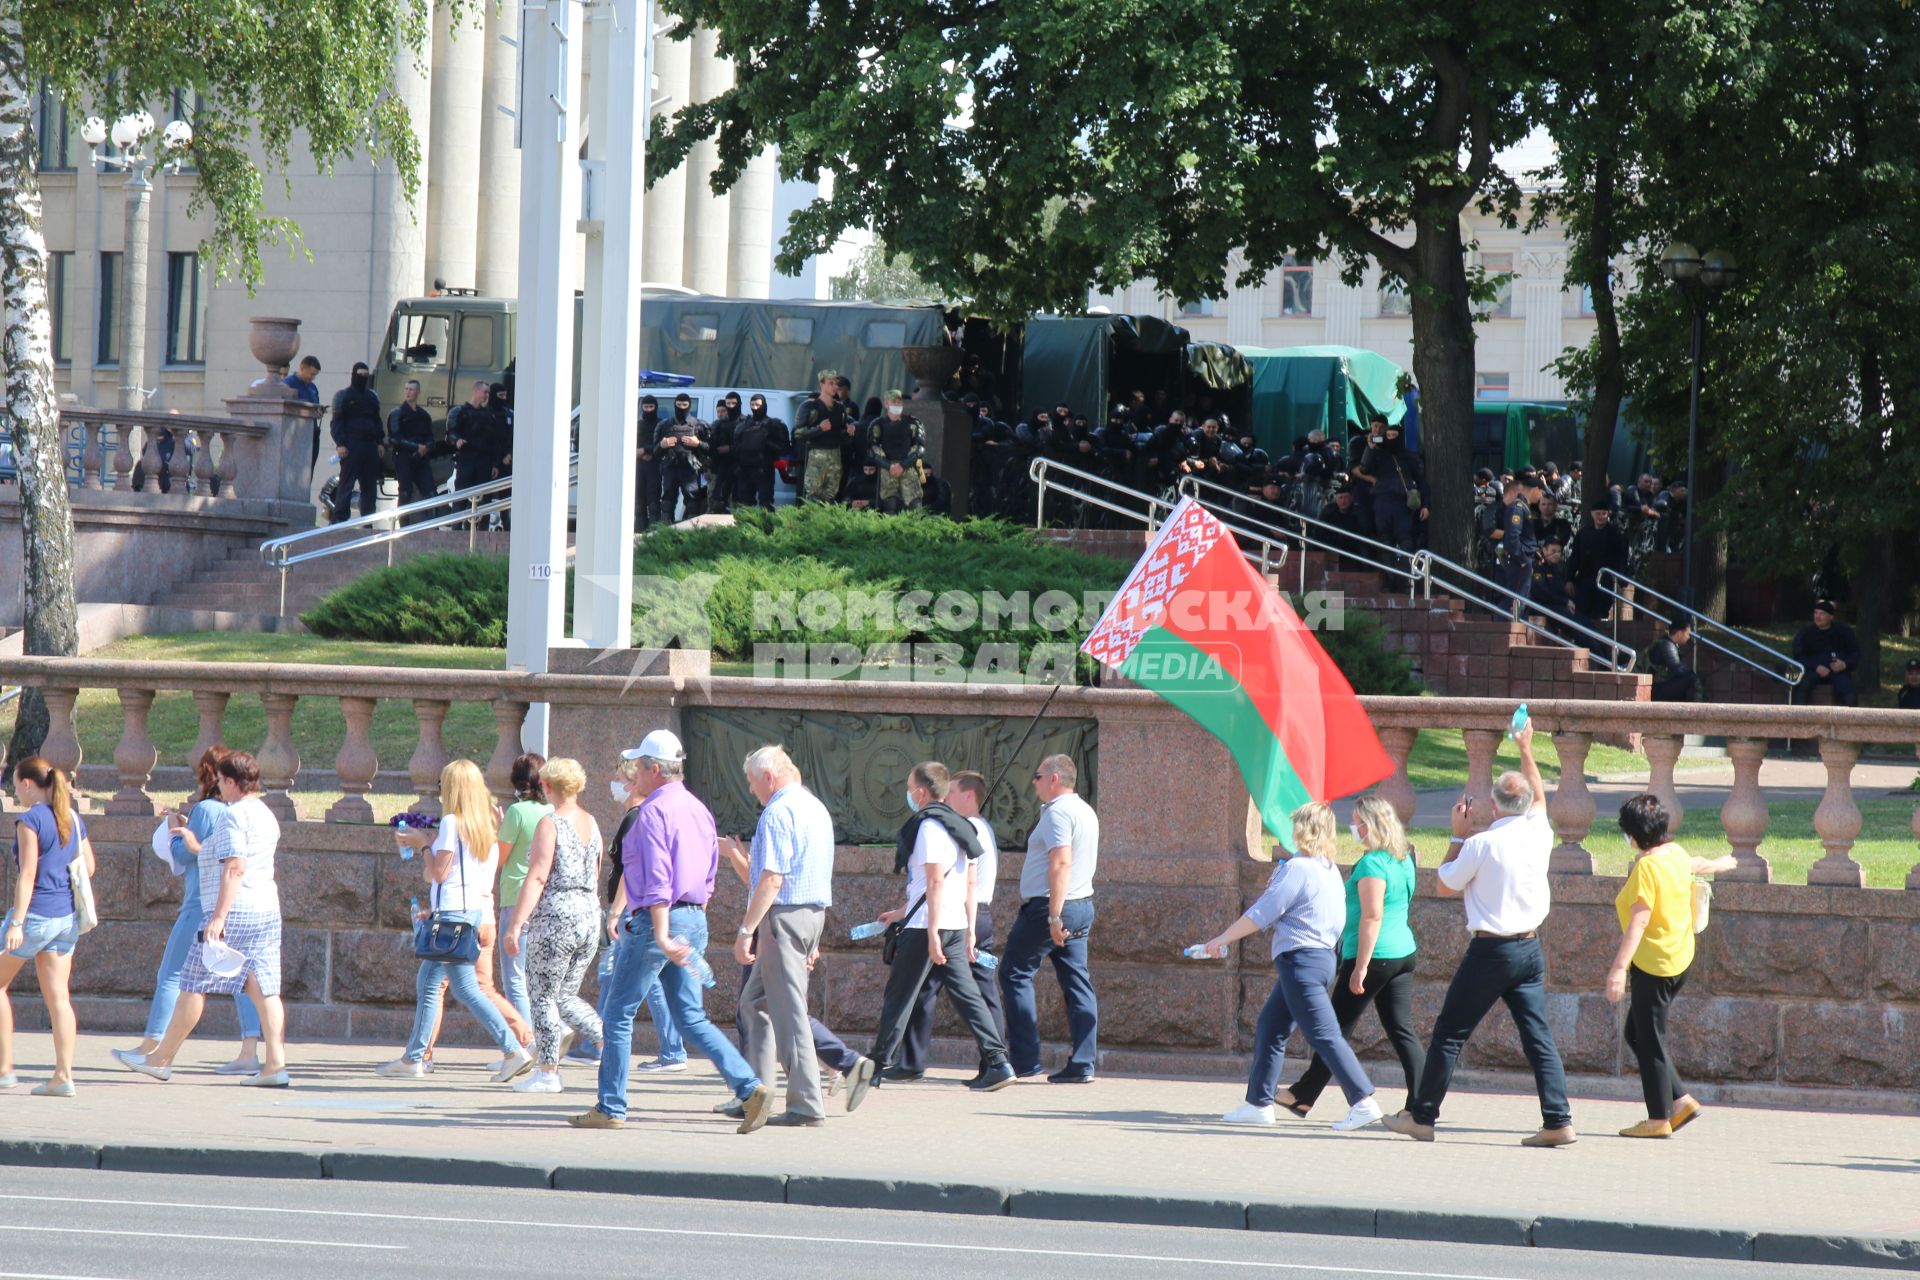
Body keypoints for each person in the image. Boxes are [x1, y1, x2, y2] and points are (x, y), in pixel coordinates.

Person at [571, 732, 775, 1133]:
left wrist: (662, 932)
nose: (633, 776)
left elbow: (659, 877)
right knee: (691, 1017)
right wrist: (688, 921)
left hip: (657, 921)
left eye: (638, 767)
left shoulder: (651, 812)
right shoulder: (699, 809)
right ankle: (750, 1088)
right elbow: (710, 871)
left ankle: (611, 1107)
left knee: (617, 1013)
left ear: (654, 769)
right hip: (693, 917)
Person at [1382, 723, 1572, 1146]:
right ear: (1523, 805)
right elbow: (1540, 795)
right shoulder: (1539, 831)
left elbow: (1445, 885)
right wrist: (1526, 745)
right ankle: (1558, 1120)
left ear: (1492, 803)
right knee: (1538, 1037)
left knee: (1450, 1033)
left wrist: (1456, 834)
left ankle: (1422, 1116)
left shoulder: (1481, 844)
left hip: (1491, 952)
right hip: (1529, 948)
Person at [1197, 803, 1384, 1133]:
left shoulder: (1298, 868)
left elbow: (1262, 912)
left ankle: (1363, 1101)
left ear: (1303, 830)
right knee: (1270, 1025)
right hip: (1318, 959)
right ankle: (1259, 1103)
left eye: (1295, 825)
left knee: (1325, 1035)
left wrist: (1221, 938)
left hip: (1301, 962)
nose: (1290, 831)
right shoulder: (1327, 869)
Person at [121, 751, 292, 1088]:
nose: (219, 788)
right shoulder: (265, 814)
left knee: (192, 984)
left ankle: (159, 1059)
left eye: (221, 782)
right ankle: (276, 1065)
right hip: (266, 910)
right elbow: (228, 855)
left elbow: (235, 866)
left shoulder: (233, 816)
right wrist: (193, 841)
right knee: (265, 990)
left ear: (230, 782)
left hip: (235, 909)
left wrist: (218, 917)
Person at [856, 763, 1016, 1103]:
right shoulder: (963, 826)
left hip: (929, 927)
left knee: (900, 996)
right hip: (955, 923)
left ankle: (876, 1065)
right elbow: (968, 881)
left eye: (909, 786)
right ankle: (999, 1062)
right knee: (968, 997)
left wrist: (930, 934)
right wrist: (969, 930)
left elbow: (934, 881)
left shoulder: (929, 826)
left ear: (921, 792)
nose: (908, 793)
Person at [380, 760, 534, 1083]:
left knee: (467, 989)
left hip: (453, 916)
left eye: (443, 786)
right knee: (431, 983)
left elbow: (439, 872)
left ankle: (513, 1050)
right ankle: (414, 1057)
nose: (440, 793)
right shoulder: (485, 825)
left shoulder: (452, 822)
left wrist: (422, 844)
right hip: (469, 914)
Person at [1274, 793, 1423, 1120]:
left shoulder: (1372, 864)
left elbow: (1372, 916)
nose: (1352, 827)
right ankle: (1421, 1106)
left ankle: (1321, 1097)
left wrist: (1360, 968)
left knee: (1333, 1031)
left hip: (1374, 956)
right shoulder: (1405, 857)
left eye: (1357, 822)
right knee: (1401, 1031)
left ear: (1371, 825)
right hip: (1402, 953)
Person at [726, 745, 845, 1126]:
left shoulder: (778, 810)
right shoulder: (815, 807)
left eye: (751, 782)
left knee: (788, 1013)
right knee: (755, 1002)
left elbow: (773, 878)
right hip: (809, 915)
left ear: (769, 777)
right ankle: (756, 1094)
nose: (751, 790)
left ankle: (806, 1105)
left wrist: (747, 930)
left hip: (783, 919)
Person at [1606, 795, 1736, 1138]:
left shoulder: (1647, 867)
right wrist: (1721, 863)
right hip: (1678, 959)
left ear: (1633, 835)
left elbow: (1639, 920)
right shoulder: (1673, 853)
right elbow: (1694, 863)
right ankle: (1681, 1101)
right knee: (1638, 1032)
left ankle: (1658, 1119)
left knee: (1650, 1040)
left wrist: (1619, 969)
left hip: (1655, 965)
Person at [503, 759, 604, 1094]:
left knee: (542, 995)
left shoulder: (551, 823)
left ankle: (548, 1072)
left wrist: (516, 924)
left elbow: (537, 875)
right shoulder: (592, 822)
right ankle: (609, 1040)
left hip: (556, 916)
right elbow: (597, 870)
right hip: (589, 913)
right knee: (565, 995)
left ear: (547, 787)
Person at [999, 754, 1100, 1084]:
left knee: (1014, 972)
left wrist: (1054, 916)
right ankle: (1083, 1062)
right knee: (1077, 983)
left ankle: (1025, 1060)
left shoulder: (1058, 813)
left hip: (1051, 907)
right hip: (1082, 904)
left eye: (1038, 775)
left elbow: (1061, 864)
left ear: (1054, 778)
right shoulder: (1086, 811)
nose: (1034, 781)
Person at [899, 770, 1004, 1081]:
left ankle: (995, 1064)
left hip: (962, 918)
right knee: (930, 990)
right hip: (965, 916)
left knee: (976, 995)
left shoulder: (967, 828)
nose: (946, 798)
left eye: (953, 792)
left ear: (969, 796)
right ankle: (912, 1061)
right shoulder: (977, 828)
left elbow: (951, 880)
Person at [582, 753, 684, 1072]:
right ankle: (595, 1041)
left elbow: (631, 869)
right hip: (631, 913)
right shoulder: (638, 815)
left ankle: (603, 1043)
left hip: (632, 913)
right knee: (616, 979)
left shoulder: (637, 817)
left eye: (622, 777)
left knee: (641, 983)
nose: (615, 785)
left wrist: (615, 912)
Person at [2, 757, 96, 1095]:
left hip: (35, 915)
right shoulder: (70, 816)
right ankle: (63, 1076)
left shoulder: (30, 820)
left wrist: (16, 923)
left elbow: (27, 874)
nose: (15, 791)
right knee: (59, 998)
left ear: (28, 784)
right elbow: (90, 866)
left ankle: (4, 1070)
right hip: (65, 918)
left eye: (15, 784)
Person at [492, 753, 549, 1028]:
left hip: (516, 898)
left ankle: (525, 1043)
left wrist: (496, 828)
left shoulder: (516, 812)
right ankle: (548, 1035)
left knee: (514, 978)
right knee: (539, 978)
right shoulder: (551, 812)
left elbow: (498, 858)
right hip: (545, 901)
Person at [1353, 415, 1425, 552]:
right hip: (1380, 501)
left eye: (1394, 435)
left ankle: (1405, 571)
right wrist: (1370, 448)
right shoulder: (1375, 452)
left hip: (1402, 501)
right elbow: (1363, 469)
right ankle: (1387, 572)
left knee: (1405, 538)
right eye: (1388, 435)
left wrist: (1425, 505)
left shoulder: (1408, 457)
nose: (1390, 437)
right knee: (1384, 539)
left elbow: (1421, 481)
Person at [329, 361, 384, 523]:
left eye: (365, 376)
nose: (363, 378)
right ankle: (339, 519)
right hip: (351, 445)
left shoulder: (372, 397)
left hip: (369, 446)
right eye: (360, 375)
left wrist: (380, 442)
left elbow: (377, 421)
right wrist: (340, 444)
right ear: (354, 375)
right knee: (346, 483)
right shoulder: (343, 396)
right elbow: (336, 423)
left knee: (369, 487)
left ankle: (367, 521)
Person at [795, 371, 851, 504]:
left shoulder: (840, 409)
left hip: (835, 456)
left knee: (830, 498)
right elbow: (798, 433)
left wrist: (848, 431)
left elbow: (841, 433)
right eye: (830, 383)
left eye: (836, 384)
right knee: (813, 497)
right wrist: (819, 429)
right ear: (822, 385)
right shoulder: (809, 406)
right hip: (816, 455)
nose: (834, 387)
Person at [1792, 599, 1860, 707]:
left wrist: (1844, 664)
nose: (1817, 617)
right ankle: (1797, 720)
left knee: (1849, 692)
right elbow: (1799, 656)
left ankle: (1851, 722)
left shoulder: (1843, 631)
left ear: (1831, 617)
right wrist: (1815, 667)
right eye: (1816, 613)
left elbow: (1854, 653)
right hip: (1813, 671)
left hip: (1838, 672)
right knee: (1801, 687)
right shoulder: (1805, 633)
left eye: (1822, 614)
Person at [868, 389, 927, 512]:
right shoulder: (878, 424)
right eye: (893, 401)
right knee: (890, 504)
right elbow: (872, 450)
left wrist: (903, 465)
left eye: (899, 401)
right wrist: (889, 466)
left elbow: (920, 448)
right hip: (887, 469)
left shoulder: (913, 422)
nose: (897, 404)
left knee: (915, 505)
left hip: (908, 466)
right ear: (886, 404)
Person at [1567, 504, 1627, 622]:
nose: (1600, 517)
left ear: (1608, 514)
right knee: (1581, 611)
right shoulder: (1583, 533)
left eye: (1603, 513)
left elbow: (1621, 557)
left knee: (1600, 613)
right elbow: (1575, 557)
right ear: (1592, 514)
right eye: (1597, 513)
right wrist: (1569, 578)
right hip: (1585, 578)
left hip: (1605, 580)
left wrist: (1621, 578)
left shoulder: (1615, 535)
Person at [447, 380, 499, 517]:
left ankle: (482, 532)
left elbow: (494, 441)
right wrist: (456, 440)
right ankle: (456, 531)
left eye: (488, 393)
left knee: (484, 500)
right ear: (475, 391)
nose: (487, 395)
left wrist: (495, 464)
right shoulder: (459, 412)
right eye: (485, 392)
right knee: (461, 498)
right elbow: (449, 434)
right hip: (466, 459)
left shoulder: (489, 414)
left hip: (484, 461)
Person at [655, 391, 709, 521]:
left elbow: (710, 448)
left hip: (690, 469)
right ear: (674, 405)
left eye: (684, 404)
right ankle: (665, 534)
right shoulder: (664, 425)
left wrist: (698, 443)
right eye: (679, 404)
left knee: (692, 503)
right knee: (667, 503)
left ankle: (692, 535)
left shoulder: (699, 425)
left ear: (689, 405)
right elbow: (655, 452)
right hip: (670, 468)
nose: (681, 407)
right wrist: (662, 445)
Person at [731, 394, 787, 510]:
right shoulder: (743, 425)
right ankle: (745, 528)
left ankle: (765, 527)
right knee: (745, 504)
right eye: (752, 405)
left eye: (758, 405)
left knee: (766, 504)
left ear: (764, 405)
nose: (755, 408)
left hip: (764, 470)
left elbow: (783, 448)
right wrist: (737, 467)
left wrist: (766, 443)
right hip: (745, 470)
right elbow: (735, 448)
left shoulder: (773, 424)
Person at [1647, 617, 1702, 703]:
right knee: (1693, 680)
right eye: (1687, 634)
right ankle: (1696, 712)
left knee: (1692, 679)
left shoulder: (1667, 644)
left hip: (1656, 686)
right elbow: (1677, 669)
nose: (1688, 637)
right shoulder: (1667, 645)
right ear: (1680, 633)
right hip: (1655, 689)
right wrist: (1693, 674)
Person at [287, 354, 323, 479]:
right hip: (296, 434)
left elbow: (316, 405)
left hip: (312, 433)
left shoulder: (312, 387)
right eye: (311, 374)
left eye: (315, 375)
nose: (312, 378)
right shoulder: (289, 384)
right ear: (302, 369)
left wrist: (319, 412)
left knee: (308, 473)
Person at [634, 393, 663, 532]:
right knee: (639, 505)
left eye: (651, 407)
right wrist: (638, 454)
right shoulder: (636, 425)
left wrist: (646, 451)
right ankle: (638, 536)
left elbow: (663, 444)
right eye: (646, 407)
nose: (649, 410)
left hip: (655, 466)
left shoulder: (661, 424)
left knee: (654, 504)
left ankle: (654, 535)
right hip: (638, 467)